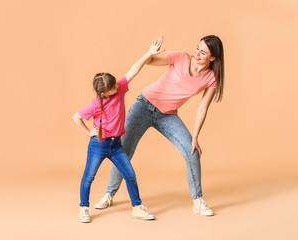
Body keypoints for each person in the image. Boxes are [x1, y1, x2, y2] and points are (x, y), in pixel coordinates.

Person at [96, 35, 224, 216]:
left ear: (213, 58)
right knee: (124, 152)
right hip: (143, 105)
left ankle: (197, 201)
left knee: (192, 151)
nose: (196, 54)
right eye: (197, 48)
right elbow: (149, 61)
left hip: (167, 116)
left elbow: (203, 108)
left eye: (203, 52)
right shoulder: (180, 57)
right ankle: (109, 194)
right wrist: (151, 52)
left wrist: (195, 137)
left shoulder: (211, 78)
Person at [72, 38, 164, 223]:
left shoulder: (119, 88)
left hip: (116, 145)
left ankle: (137, 207)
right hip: (98, 145)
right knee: (89, 177)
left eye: (116, 85)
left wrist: (149, 52)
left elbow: (133, 70)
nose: (118, 87)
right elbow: (77, 117)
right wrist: (88, 132)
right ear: (104, 93)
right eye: (113, 88)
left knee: (130, 175)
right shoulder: (95, 105)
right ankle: (84, 208)